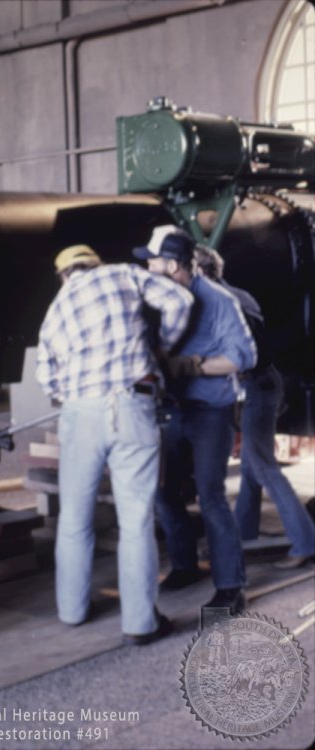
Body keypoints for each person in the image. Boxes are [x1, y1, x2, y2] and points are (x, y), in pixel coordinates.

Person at [35, 243, 193, 644]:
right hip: (131, 403)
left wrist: (73, 392)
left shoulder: (55, 311)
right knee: (136, 519)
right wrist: (165, 348)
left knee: (73, 518)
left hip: (80, 413)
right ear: (94, 264)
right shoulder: (122, 274)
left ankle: (72, 611)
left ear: (63, 275)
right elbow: (179, 299)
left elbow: (46, 379)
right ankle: (140, 624)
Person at [134, 225, 257, 614]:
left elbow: (242, 358)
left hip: (210, 412)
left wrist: (192, 365)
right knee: (164, 492)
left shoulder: (219, 301)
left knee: (211, 494)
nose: (148, 267)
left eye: (153, 261)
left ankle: (231, 587)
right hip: (173, 409)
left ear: (173, 265)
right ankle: (186, 565)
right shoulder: (157, 297)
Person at [195, 246, 315, 570]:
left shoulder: (219, 302)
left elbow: (245, 356)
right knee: (250, 468)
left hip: (257, 387)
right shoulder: (239, 295)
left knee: (262, 465)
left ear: (200, 271)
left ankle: (306, 542)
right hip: (265, 384)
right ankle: (243, 536)